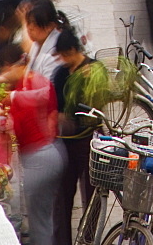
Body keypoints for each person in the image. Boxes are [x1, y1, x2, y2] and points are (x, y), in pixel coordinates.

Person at [0, 47, 64, 245]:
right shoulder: (22, 85)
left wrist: (13, 99)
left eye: (5, 70)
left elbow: (44, 96)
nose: (4, 76)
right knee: (43, 218)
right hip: (49, 155)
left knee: (40, 224)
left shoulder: (32, 84)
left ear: (15, 66)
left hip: (41, 160)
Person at [52, 31, 110, 245]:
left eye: (64, 55)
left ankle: (88, 238)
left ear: (73, 51)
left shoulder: (95, 69)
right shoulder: (60, 74)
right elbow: (55, 104)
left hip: (89, 141)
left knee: (92, 194)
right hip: (65, 142)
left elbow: (101, 102)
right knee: (63, 196)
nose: (62, 61)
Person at [24, 0, 67, 80]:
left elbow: (48, 89)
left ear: (50, 26)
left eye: (35, 23)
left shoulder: (54, 54)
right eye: (28, 22)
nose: (30, 27)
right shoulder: (37, 42)